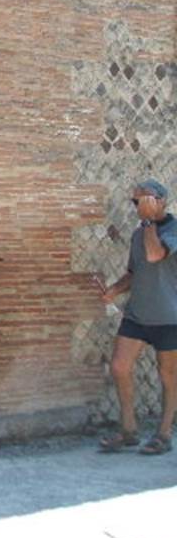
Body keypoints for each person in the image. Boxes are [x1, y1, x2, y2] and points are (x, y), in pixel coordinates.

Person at [97, 179, 177, 455]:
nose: (139, 206)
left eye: (145, 200)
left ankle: (164, 434)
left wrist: (147, 222)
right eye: (136, 202)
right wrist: (114, 290)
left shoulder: (172, 230)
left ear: (162, 201)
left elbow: (156, 255)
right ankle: (129, 430)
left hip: (169, 316)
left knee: (168, 376)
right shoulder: (137, 234)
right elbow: (134, 272)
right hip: (137, 314)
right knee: (119, 367)